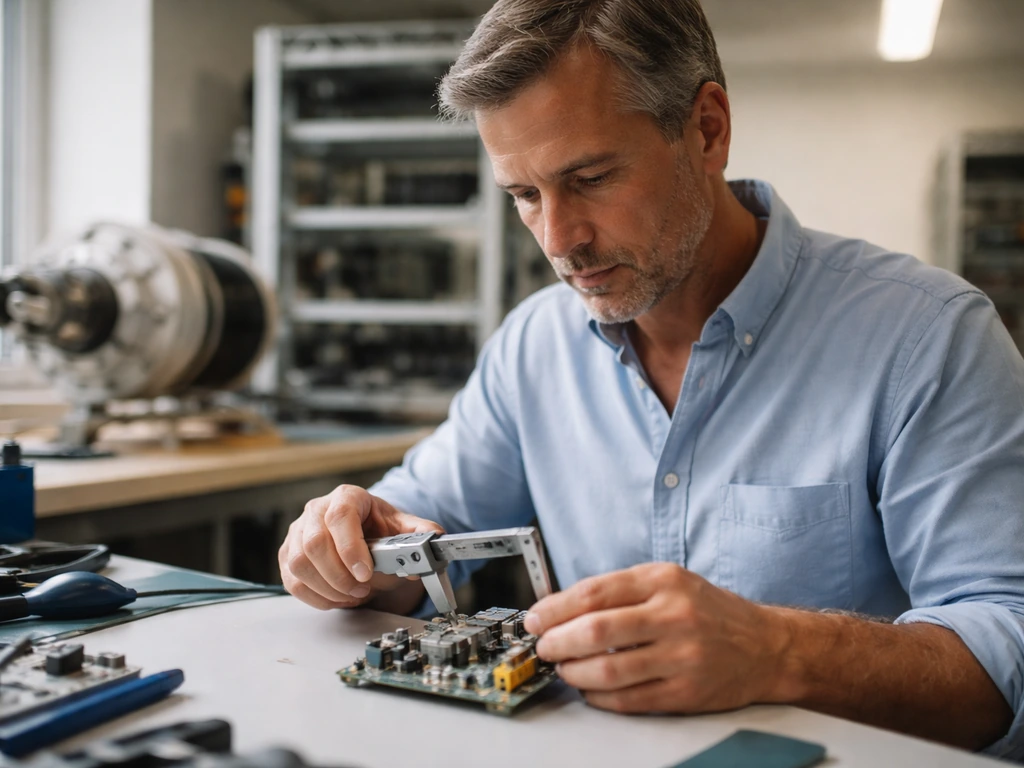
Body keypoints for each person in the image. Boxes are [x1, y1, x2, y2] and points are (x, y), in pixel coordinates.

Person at [278, 0, 1024, 759]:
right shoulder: (535, 344)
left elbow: (1007, 655)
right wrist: (350, 552)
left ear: (707, 129)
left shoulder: (927, 337)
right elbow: (417, 526)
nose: (558, 240)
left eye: (591, 177)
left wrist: (777, 650)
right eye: (525, 197)